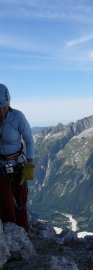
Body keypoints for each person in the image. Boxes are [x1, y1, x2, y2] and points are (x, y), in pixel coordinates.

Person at [0, 83, 34, 233]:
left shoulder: (17, 117)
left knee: (20, 203)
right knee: (7, 203)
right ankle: (13, 238)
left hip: (18, 166)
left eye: (4, 107)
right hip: (0, 166)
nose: (1, 111)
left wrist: (30, 162)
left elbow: (29, 140)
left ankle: (24, 236)